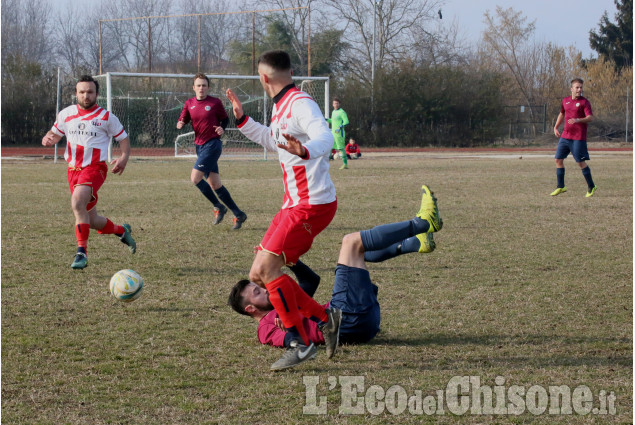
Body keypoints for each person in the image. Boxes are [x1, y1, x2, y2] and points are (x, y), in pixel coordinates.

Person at [225, 50, 341, 371]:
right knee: (256, 273)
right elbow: (273, 140)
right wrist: (243, 121)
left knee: (268, 271)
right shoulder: (281, 108)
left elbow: (325, 136)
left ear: (264, 78)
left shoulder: (300, 104)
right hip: (293, 203)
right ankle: (323, 317)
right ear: (288, 71)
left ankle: (299, 343)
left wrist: (304, 149)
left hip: (310, 204)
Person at [229, 184, 442, 352]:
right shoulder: (265, 327)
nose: (264, 288)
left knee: (358, 255)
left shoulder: (281, 300)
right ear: (250, 309)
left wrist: (283, 261)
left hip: (360, 324)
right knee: (351, 243)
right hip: (346, 320)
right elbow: (290, 341)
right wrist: (290, 333)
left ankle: (415, 243)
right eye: (257, 292)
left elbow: (311, 281)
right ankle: (423, 222)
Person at [41, 75, 136, 269]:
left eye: (90, 92)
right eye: (82, 92)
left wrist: (124, 158)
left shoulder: (106, 117)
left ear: (97, 94)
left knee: (77, 202)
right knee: (91, 220)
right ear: (76, 93)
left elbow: (124, 138)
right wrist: (48, 139)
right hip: (72, 170)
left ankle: (81, 253)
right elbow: (54, 134)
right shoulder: (66, 114)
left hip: (95, 168)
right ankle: (121, 231)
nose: (86, 96)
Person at [177, 73, 247, 229]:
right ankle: (238, 214)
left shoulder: (215, 103)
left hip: (213, 145)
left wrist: (222, 128)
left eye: (204, 85)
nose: (201, 88)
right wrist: (180, 122)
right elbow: (184, 118)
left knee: (195, 178)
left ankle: (218, 206)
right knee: (215, 184)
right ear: (194, 87)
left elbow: (225, 119)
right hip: (199, 146)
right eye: (199, 85)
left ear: (208, 87)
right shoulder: (189, 103)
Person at [552, 78, 597, 197]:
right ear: (571, 89)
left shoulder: (584, 102)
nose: (579, 90)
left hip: (578, 137)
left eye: (581, 87)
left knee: (580, 162)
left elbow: (590, 118)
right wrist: (556, 127)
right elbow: (562, 113)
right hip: (565, 136)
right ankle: (561, 186)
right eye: (577, 87)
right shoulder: (565, 101)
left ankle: (591, 186)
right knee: (558, 160)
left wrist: (578, 120)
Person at [327, 97, 350, 169]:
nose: (335, 104)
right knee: (330, 147)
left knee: (341, 148)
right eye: (334, 103)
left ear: (339, 104)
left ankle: (345, 164)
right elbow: (333, 121)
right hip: (333, 133)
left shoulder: (342, 112)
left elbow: (346, 121)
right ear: (332, 104)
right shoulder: (333, 112)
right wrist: (326, 119)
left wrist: (340, 127)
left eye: (337, 103)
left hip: (339, 133)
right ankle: (325, 163)